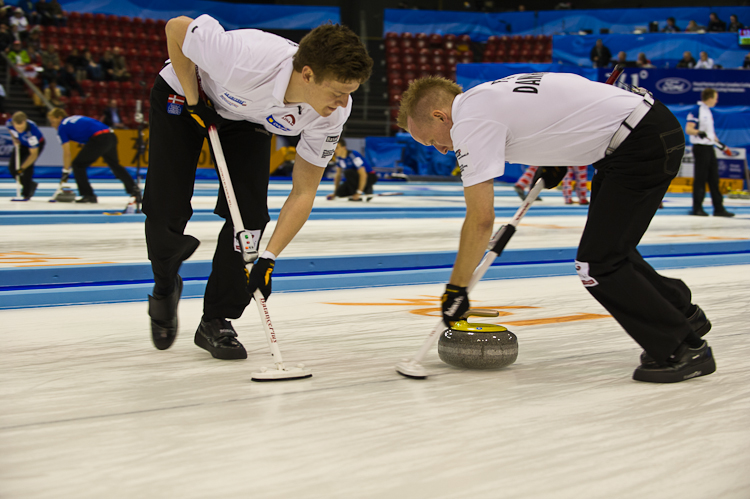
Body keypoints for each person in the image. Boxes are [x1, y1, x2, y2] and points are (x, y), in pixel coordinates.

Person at [398, 74, 716, 383]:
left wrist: (457, 287)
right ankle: (681, 312)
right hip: (639, 134)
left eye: (431, 141)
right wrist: (558, 153)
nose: (440, 149)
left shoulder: (470, 121)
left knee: (599, 263)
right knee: (612, 251)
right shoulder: (488, 94)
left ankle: (683, 349)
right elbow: (566, 97)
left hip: (639, 144)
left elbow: (481, 218)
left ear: (440, 116)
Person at [143, 15, 372, 360]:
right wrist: (193, 101)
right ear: (307, 74)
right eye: (338, 93)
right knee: (166, 206)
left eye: (349, 94)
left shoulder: (330, 113)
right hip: (185, 90)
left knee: (248, 218)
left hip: (246, 119)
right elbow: (176, 28)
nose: (343, 105)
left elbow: (304, 191)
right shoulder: (243, 58)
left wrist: (268, 258)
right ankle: (164, 287)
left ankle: (216, 319)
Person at [46, 107, 141, 203]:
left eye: (52, 121)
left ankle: (88, 195)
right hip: (111, 135)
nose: (52, 124)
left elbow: (67, 152)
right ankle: (135, 191)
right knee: (114, 165)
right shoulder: (73, 119)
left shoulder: (62, 127)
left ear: (59, 117)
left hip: (99, 138)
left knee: (78, 164)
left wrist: (66, 171)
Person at [685, 89, 734, 218]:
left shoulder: (708, 111)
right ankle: (697, 208)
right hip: (700, 148)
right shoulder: (697, 110)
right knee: (701, 179)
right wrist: (697, 132)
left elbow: (711, 134)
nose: (717, 101)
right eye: (715, 98)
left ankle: (719, 208)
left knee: (714, 179)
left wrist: (721, 144)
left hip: (709, 147)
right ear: (709, 98)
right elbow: (689, 129)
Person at [6, 111, 45, 200]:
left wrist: (22, 169)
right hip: (21, 144)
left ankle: (26, 193)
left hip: (34, 146)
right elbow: (10, 130)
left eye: (21, 128)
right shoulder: (9, 123)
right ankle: (30, 184)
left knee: (27, 168)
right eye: (17, 128)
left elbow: (33, 155)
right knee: (12, 168)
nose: (19, 130)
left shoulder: (32, 131)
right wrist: (14, 138)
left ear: (25, 122)